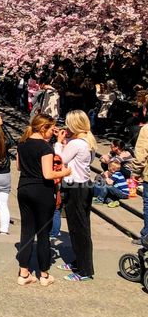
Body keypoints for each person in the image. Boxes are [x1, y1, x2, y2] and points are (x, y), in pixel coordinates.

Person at [15, 113, 71, 286]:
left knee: (27, 231)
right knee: (43, 233)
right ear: (43, 128)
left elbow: (18, 166)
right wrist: (65, 172)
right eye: (51, 129)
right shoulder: (45, 148)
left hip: (24, 187)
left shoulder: (22, 143)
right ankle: (44, 274)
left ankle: (24, 272)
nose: (52, 133)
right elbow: (48, 174)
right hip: (41, 190)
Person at [56, 110, 97, 282]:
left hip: (76, 187)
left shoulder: (77, 143)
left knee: (78, 229)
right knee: (79, 226)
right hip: (85, 185)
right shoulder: (89, 141)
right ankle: (78, 261)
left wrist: (58, 143)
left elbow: (61, 159)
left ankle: (85, 270)